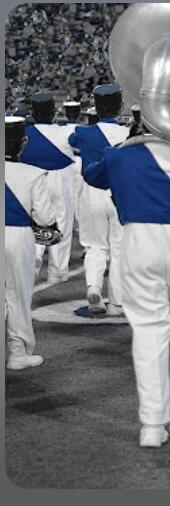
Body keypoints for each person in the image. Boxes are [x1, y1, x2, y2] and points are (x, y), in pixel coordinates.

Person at [82, 97, 170, 448]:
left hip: (138, 241)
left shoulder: (119, 154)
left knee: (148, 334)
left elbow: (93, 175)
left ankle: (152, 425)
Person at [69, 84, 128, 316]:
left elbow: (73, 141)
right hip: (119, 192)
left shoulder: (83, 133)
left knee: (94, 246)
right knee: (120, 248)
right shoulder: (128, 132)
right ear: (120, 106)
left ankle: (94, 287)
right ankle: (117, 302)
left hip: (91, 191)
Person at [5, 116, 58, 370]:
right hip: (17, 237)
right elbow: (45, 218)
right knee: (17, 296)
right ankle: (18, 353)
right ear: (21, 144)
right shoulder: (32, 174)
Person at [18, 92, 77, 284]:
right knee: (62, 223)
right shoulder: (66, 132)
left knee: (35, 221)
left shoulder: (23, 134)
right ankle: (57, 272)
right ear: (53, 112)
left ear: (34, 112)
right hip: (61, 180)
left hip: (34, 178)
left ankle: (35, 255)